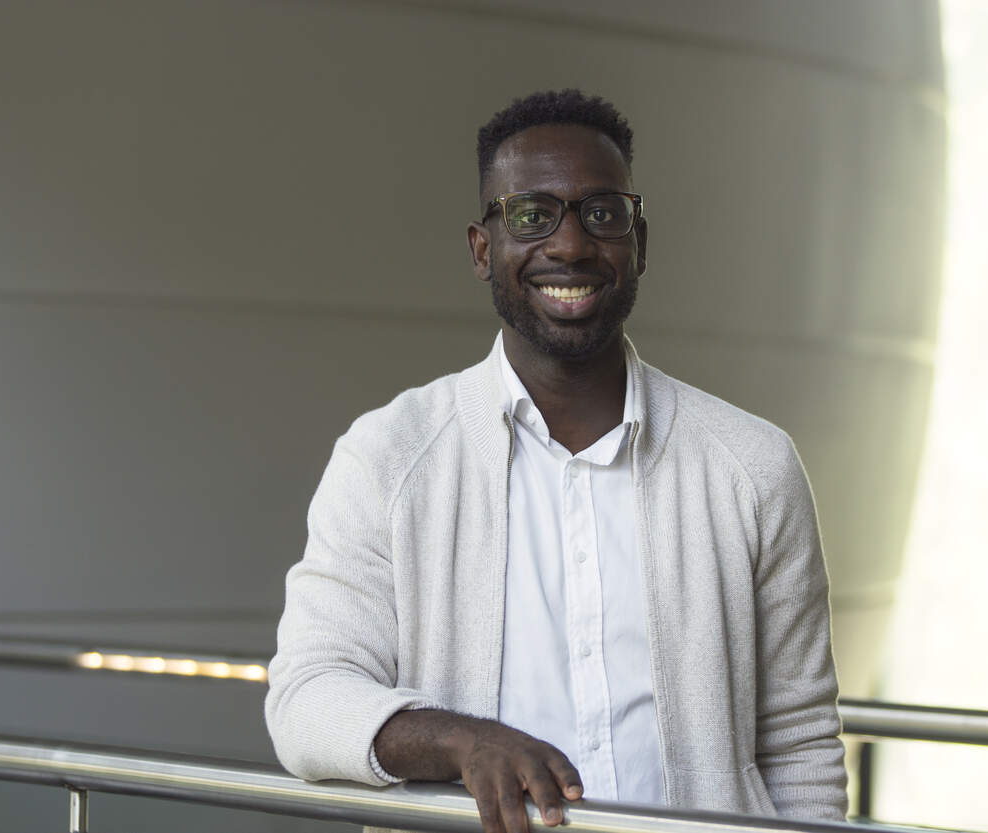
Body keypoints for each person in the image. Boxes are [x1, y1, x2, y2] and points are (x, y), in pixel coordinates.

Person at [265, 89, 847, 833]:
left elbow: (800, 746)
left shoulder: (753, 465)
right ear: (483, 249)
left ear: (640, 240)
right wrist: (458, 739)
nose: (569, 245)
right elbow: (305, 698)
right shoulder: (388, 458)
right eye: (531, 215)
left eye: (601, 213)